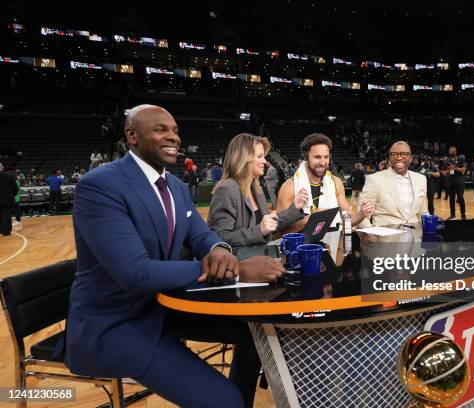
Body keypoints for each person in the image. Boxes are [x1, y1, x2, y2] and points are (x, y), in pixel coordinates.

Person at [65, 105, 268, 407]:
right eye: (160, 129)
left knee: (258, 336)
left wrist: (220, 250)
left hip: (164, 308)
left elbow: (201, 235)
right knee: (223, 400)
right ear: (131, 135)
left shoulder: (174, 185)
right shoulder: (100, 186)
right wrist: (236, 270)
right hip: (118, 323)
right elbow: (136, 273)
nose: (172, 137)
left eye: (174, 130)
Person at [208, 133, 308, 248]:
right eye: (260, 156)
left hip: (261, 257)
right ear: (244, 159)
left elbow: (269, 225)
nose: (265, 161)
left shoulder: (256, 190)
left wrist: (295, 207)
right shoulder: (226, 190)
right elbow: (219, 239)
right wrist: (259, 230)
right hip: (239, 263)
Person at [277, 133, 374, 233]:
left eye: (326, 157)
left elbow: (347, 220)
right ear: (306, 157)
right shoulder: (289, 187)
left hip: (331, 245)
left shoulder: (336, 183)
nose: (323, 162)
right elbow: (280, 232)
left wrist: (361, 214)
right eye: (317, 157)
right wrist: (310, 220)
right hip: (300, 247)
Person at [359, 141, 428, 227]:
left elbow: (423, 212)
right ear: (390, 158)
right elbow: (362, 217)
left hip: (415, 237)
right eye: (394, 154)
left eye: (404, 154)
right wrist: (370, 235)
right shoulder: (375, 179)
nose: (399, 158)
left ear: (410, 158)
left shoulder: (421, 179)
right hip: (385, 237)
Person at [441, 146, 467, 220]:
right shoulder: (446, 161)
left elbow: (463, 169)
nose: (452, 152)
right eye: (451, 151)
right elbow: (443, 172)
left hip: (459, 182)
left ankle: (463, 215)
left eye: (454, 151)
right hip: (450, 182)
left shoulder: (460, 159)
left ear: (456, 152)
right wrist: (449, 170)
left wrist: (454, 168)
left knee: (460, 198)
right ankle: (452, 215)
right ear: (449, 152)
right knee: (451, 199)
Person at [0, 163, 18, 235]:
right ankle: (6, 232)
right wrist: (10, 195)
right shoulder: (9, 176)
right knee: (6, 215)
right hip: (7, 200)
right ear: (2, 167)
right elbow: (16, 189)